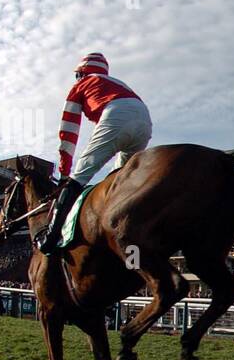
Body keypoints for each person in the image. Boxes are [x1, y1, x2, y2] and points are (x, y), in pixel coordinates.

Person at [37, 52, 152, 254]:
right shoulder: (118, 83)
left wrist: (64, 174)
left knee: (78, 179)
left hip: (116, 115)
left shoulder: (80, 86)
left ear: (81, 73)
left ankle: (50, 238)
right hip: (144, 120)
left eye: (77, 75)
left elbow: (68, 134)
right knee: (119, 182)